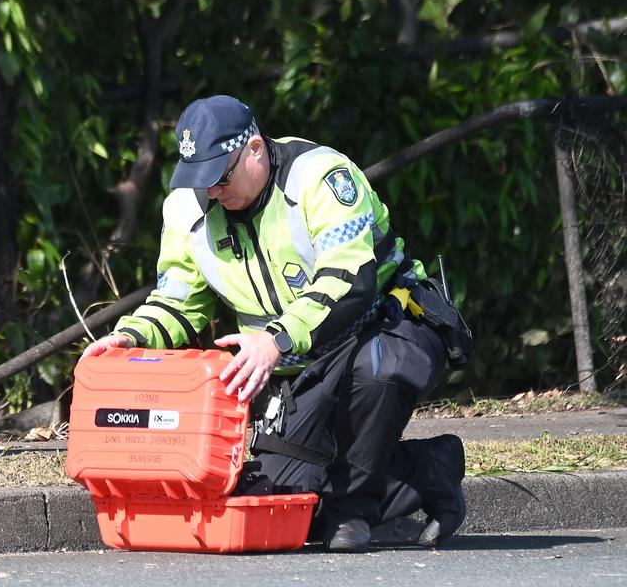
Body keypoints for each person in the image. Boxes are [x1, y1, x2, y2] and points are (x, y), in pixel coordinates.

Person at [82, 95, 469, 552]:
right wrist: (131, 335)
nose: (211, 193)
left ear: (255, 150)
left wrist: (275, 339)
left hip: (384, 324)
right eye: (199, 180)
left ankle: (354, 514)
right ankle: (429, 469)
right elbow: (180, 301)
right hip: (296, 365)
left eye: (219, 177)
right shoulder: (186, 209)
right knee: (281, 507)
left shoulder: (320, 176)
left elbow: (352, 279)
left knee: (378, 370)